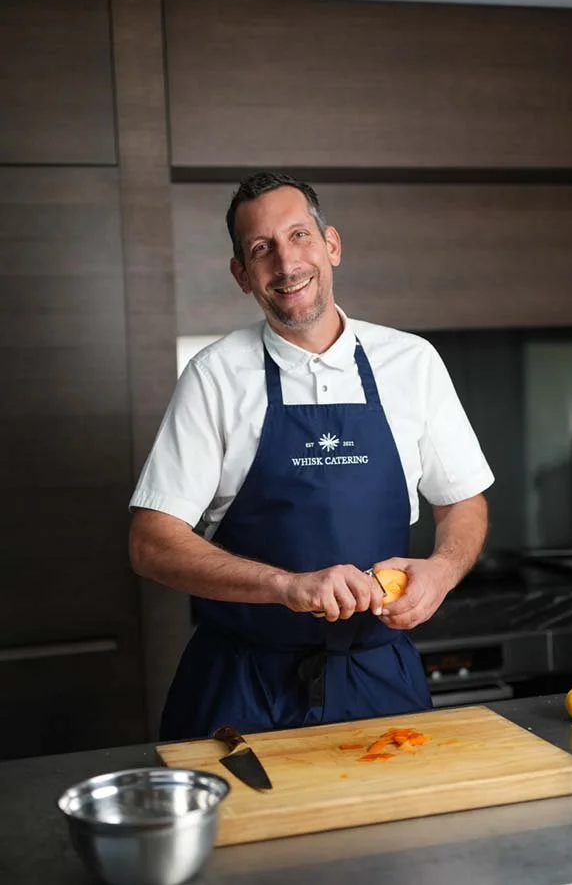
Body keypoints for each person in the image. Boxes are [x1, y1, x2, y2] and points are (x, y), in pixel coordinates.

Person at [129, 171, 494, 740]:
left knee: (398, 832)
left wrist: (442, 572)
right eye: (260, 249)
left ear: (332, 245)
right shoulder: (215, 377)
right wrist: (285, 586)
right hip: (241, 686)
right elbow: (151, 542)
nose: (286, 261)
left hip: (380, 680)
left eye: (299, 236)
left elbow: (464, 502)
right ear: (241, 275)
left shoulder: (412, 362)